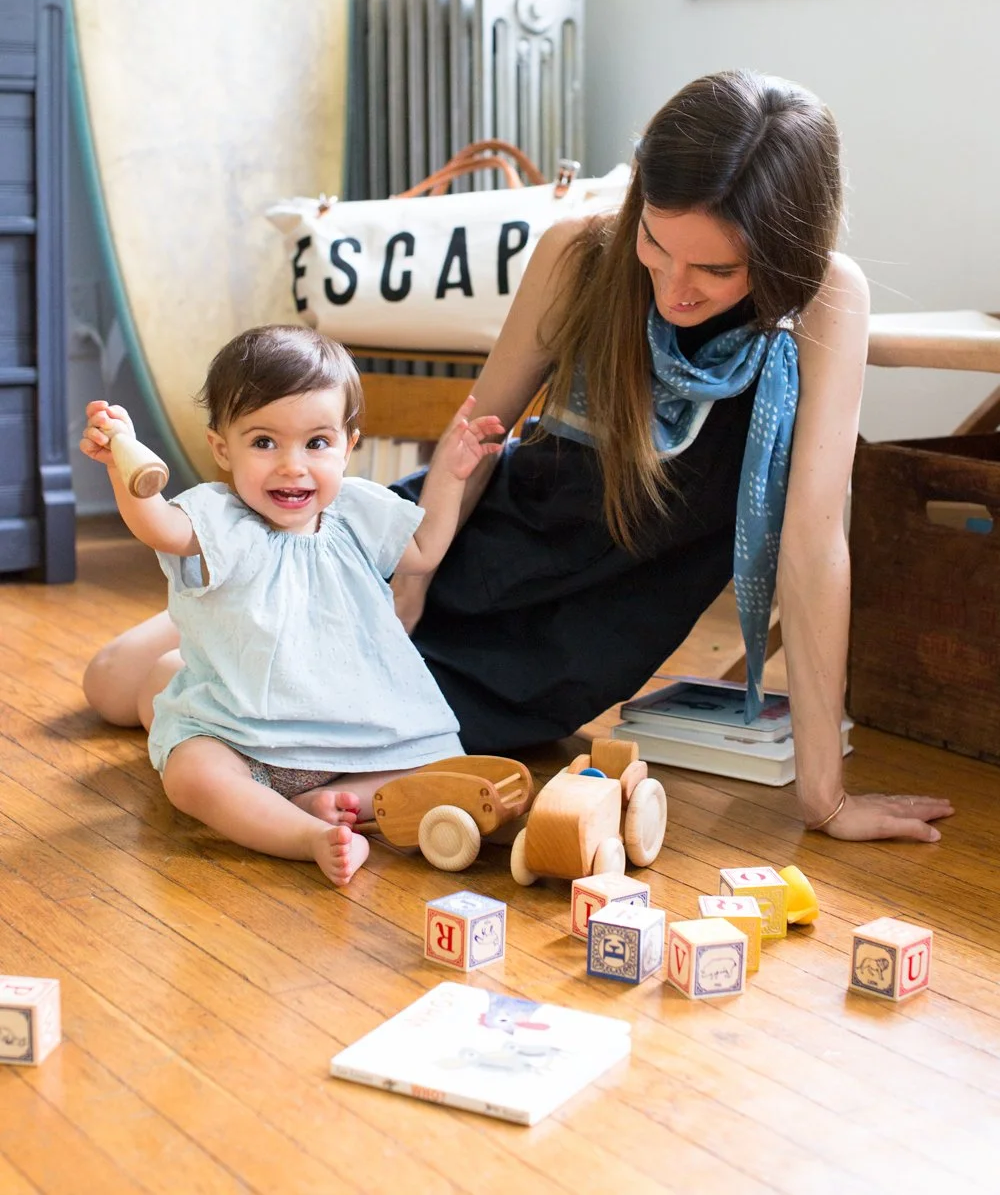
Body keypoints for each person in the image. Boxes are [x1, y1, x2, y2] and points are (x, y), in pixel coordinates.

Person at [82, 71, 953, 844]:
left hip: (573, 632)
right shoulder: (582, 252)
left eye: (715, 270)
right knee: (112, 679)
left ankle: (235, 691)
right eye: (657, 242)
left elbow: (811, 546)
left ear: (782, 253)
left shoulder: (827, 302)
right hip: (462, 539)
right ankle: (251, 637)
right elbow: (484, 428)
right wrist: (412, 573)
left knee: (173, 688)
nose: (674, 286)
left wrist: (824, 800)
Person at [78, 325, 502, 886]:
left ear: (350, 445)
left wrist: (449, 474)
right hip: (246, 738)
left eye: (316, 443)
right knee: (192, 774)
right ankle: (302, 835)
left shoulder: (358, 511)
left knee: (444, 766)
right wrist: (123, 468)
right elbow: (158, 526)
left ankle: (323, 802)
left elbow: (423, 551)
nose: (292, 465)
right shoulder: (222, 520)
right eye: (263, 442)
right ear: (221, 448)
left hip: (359, 738)